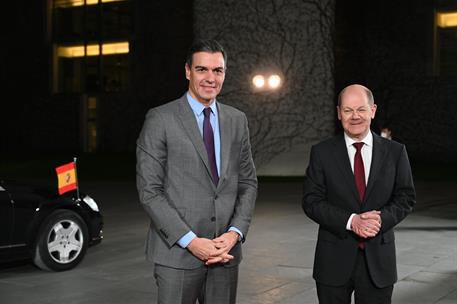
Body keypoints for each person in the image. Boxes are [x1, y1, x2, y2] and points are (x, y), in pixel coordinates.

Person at [136, 39, 257, 304]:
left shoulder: (237, 120)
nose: (210, 78)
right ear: (188, 71)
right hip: (177, 256)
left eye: (218, 71)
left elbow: (247, 182)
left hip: (225, 254)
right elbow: (150, 191)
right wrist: (191, 241)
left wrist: (234, 233)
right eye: (202, 69)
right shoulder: (160, 119)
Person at [302, 84, 416, 304]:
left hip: (379, 262)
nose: (355, 116)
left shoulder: (395, 152)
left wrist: (379, 219)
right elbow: (311, 201)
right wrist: (351, 221)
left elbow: (405, 197)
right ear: (338, 113)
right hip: (333, 260)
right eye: (348, 110)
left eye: (361, 109)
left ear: (373, 111)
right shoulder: (322, 152)